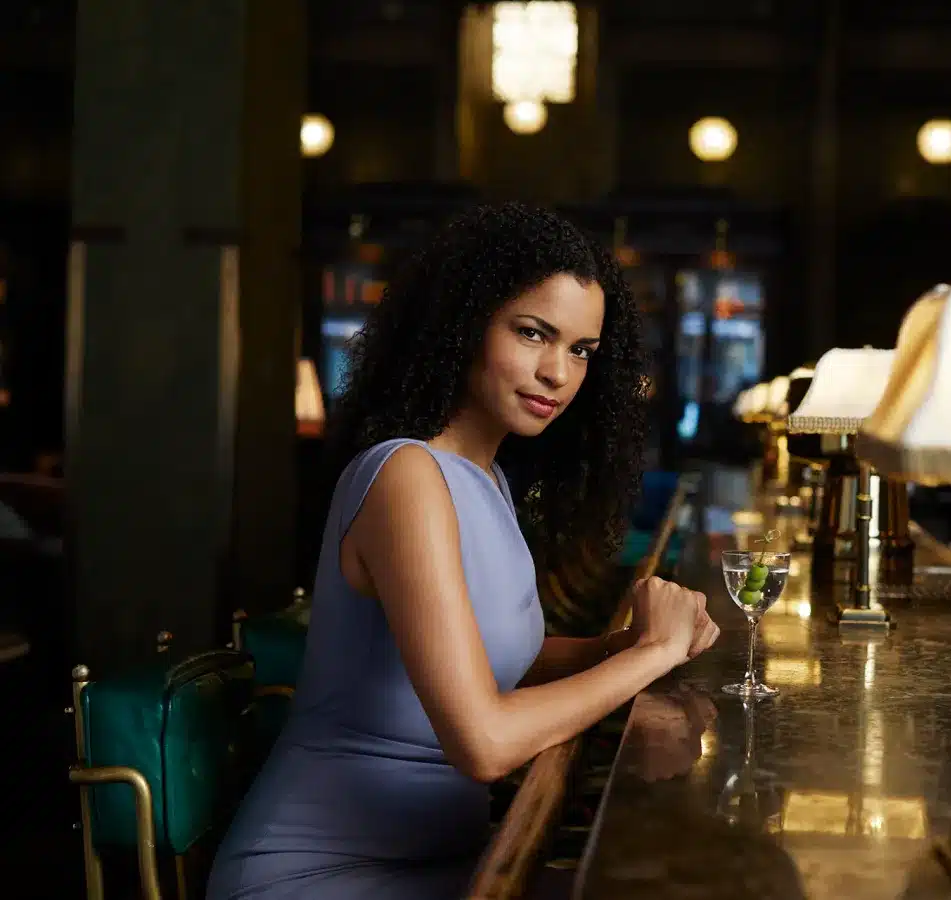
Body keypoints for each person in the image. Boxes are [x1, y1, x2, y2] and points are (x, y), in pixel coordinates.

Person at [207, 203, 720, 899]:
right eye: (532, 333)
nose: (558, 374)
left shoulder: (485, 477)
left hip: (458, 864)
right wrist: (647, 655)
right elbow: (482, 744)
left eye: (580, 351)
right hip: (320, 876)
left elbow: (497, 657)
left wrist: (629, 641)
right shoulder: (405, 476)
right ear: (462, 325)